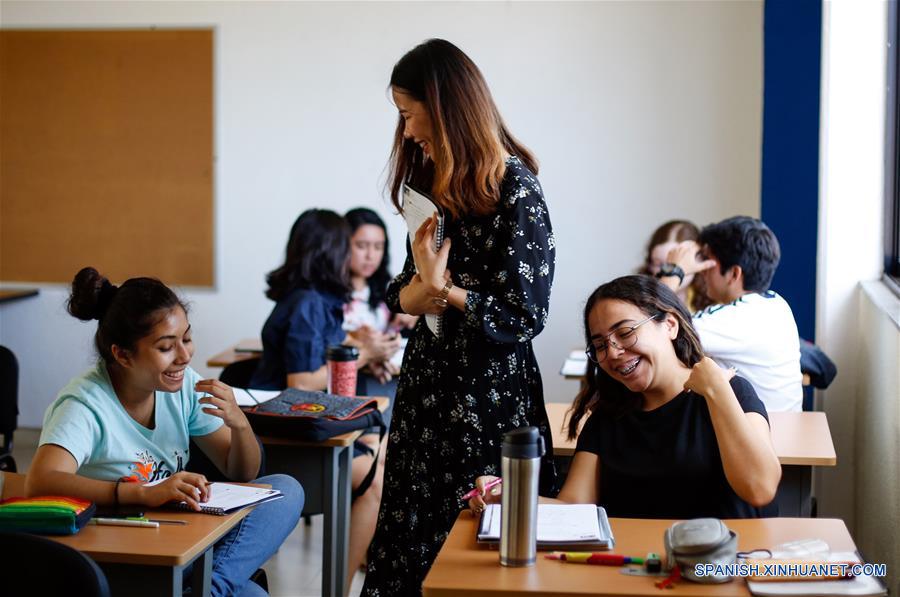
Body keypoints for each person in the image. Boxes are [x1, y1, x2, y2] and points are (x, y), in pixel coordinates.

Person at [363, 39, 557, 596]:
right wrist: (423, 289)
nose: (405, 131)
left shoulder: (516, 189)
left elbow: (524, 312)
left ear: (444, 106)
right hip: (428, 387)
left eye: (408, 114)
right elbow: (402, 291)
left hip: (487, 396)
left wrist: (443, 290)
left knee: (478, 545)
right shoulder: (432, 186)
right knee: (406, 537)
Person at [26, 267, 303, 597]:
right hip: (117, 558)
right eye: (166, 347)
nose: (184, 356)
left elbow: (241, 471)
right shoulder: (84, 404)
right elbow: (40, 481)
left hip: (177, 539)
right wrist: (143, 493)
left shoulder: (183, 385)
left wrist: (240, 424)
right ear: (122, 355)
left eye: (186, 339)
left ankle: (208, 589)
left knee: (286, 489)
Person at [469, 275, 781, 520]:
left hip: (719, 570)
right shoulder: (609, 415)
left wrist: (716, 390)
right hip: (635, 570)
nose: (614, 352)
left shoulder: (731, 392)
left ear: (669, 325)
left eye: (626, 332)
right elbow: (575, 508)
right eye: (600, 345)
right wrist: (510, 496)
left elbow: (759, 489)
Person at [248, 208, 397, 587]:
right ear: (328, 251)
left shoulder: (307, 298)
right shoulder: (309, 303)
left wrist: (361, 349)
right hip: (286, 441)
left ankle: (354, 575)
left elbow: (321, 354)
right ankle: (341, 587)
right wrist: (362, 355)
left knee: (379, 450)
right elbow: (301, 379)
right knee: (376, 479)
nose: (354, 256)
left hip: (289, 427)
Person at [657, 216, 803, 412]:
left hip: (760, 433)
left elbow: (652, 325)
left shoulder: (735, 319)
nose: (702, 272)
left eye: (709, 263)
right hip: (784, 425)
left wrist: (674, 270)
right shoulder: (775, 303)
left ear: (734, 273)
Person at [343, 207, 417, 410]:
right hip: (350, 383)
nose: (370, 255)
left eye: (378, 247)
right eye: (361, 246)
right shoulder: (329, 295)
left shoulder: (386, 290)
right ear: (341, 245)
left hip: (386, 378)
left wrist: (411, 316)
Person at [638, 219, 712, 312]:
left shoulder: (715, 301)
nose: (664, 271)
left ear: (699, 261)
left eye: (674, 264)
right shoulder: (637, 300)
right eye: (658, 263)